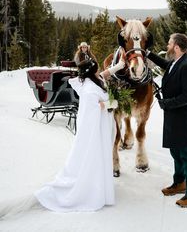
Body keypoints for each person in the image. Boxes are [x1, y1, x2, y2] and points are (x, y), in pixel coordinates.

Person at [0, 54, 125, 218]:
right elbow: (92, 111)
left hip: (102, 130)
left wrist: (120, 65)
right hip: (93, 135)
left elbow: (105, 74)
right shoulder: (88, 89)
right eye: (97, 69)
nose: (100, 71)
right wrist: (110, 103)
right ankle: (92, 188)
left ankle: (100, 184)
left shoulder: (94, 80)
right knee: (93, 159)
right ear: (91, 72)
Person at [147, 33, 187, 208]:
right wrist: (147, 54)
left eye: (169, 43)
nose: (167, 46)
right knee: (175, 152)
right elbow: (165, 65)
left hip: (183, 118)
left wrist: (166, 103)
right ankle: (179, 183)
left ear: (176, 47)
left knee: (186, 154)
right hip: (173, 115)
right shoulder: (176, 62)